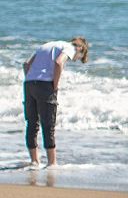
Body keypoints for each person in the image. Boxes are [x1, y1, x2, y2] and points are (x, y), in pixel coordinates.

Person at [21, 36, 90, 169]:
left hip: (29, 83)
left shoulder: (47, 45)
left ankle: (34, 161)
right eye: (79, 57)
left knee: (32, 123)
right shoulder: (70, 48)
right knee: (48, 124)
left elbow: (26, 64)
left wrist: (32, 80)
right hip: (45, 85)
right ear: (80, 48)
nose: (76, 60)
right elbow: (59, 63)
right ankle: (52, 163)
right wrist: (55, 85)